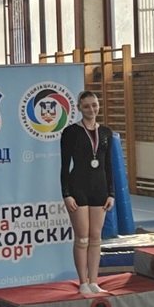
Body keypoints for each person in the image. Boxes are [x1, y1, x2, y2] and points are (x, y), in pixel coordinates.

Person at [60, 90, 115, 295]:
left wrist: (111, 193)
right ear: (79, 108)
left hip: (99, 189)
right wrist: (66, 194)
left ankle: (94, 281)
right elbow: (64, 166)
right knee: (82, 238)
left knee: (96, 238)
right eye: (86, 106)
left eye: (94, 105)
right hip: (78, 188)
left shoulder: (106, 133)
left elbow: (108, 165)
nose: (91, 109)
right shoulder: (71, 132)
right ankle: (83, 282)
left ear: (98, 106)